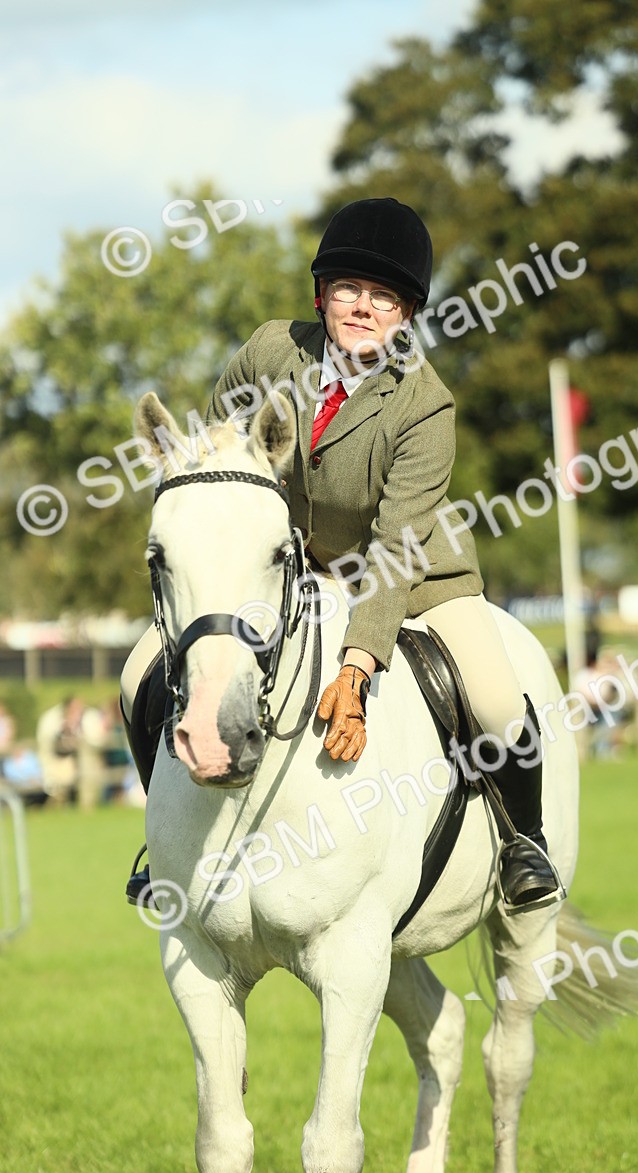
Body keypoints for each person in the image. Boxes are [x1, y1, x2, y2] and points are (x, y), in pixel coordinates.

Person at [123, 197, 564, 913]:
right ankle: (164, 843)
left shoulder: (425, 405)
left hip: (414, 575)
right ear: (322, 294)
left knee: (495, 699)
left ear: (408, 314)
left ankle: (524, 840)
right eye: (349, 290)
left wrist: (357, 666)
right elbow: (217, 455)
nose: (362, 308)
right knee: (138, 671)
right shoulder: (271, 352)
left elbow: (396, 547)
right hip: (289, 570)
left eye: (383, 297)